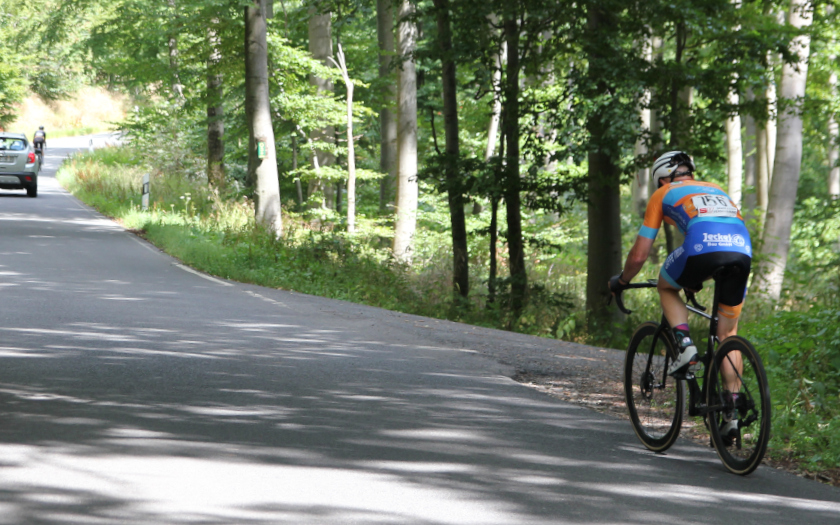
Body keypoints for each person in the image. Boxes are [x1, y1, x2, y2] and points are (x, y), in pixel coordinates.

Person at [608, 151, 751, 437]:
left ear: (661, 178)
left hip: (702, 247)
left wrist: (622, 281)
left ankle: (685, 345)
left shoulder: (663, 194)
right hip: (742, 250)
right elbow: (724, 234)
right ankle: (732, 412)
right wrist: (696, 278)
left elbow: (639, 256)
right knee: (728, 335)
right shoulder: (717, 190)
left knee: (665, 285)